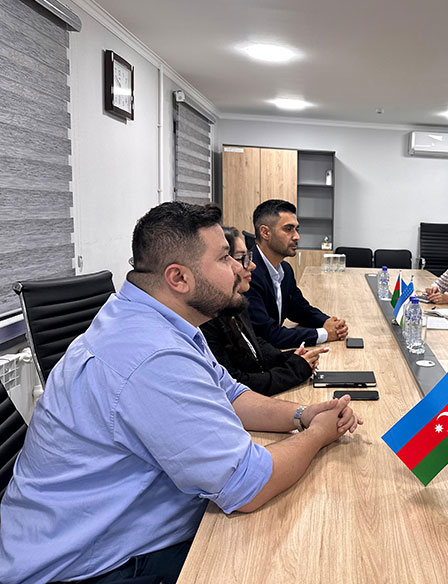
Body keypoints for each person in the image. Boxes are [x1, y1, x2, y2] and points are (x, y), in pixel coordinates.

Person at [0, 202, 362, 583]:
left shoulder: (161, 320)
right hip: (88, 567)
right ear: (178, 278)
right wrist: (319, 435)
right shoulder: (152, 355)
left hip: (115, 533)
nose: (239, 268)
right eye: (224, 258)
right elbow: (249, 484)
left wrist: (301, 415)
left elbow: (230, 394)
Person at [201, 226, 328, 396]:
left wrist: (291, 358)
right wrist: (295, 369)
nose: (252, 265)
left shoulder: (236, 301)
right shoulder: (205, 320)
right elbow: (236, 386)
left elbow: (254, 344)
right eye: (242, 258)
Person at [246, 199, 347, 348]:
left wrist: (328, 322)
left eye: (296, 229)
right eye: (288, 229)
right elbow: (269, 335)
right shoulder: (247, 274)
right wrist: (324, 334)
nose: (297, 236)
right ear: (265, 232)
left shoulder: (285, 269)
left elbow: (299, 309)